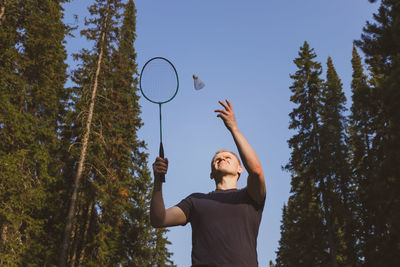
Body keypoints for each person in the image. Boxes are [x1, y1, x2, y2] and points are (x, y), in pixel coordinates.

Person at [150, 99, 266, 267]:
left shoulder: (250, 196)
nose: (222, 158)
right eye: (217, 159)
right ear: (211, 174)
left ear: (240, 169)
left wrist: (233, 128)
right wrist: (157, 181)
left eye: (228, 157)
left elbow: (256, 170)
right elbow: (159, 220)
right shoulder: (195, 201)